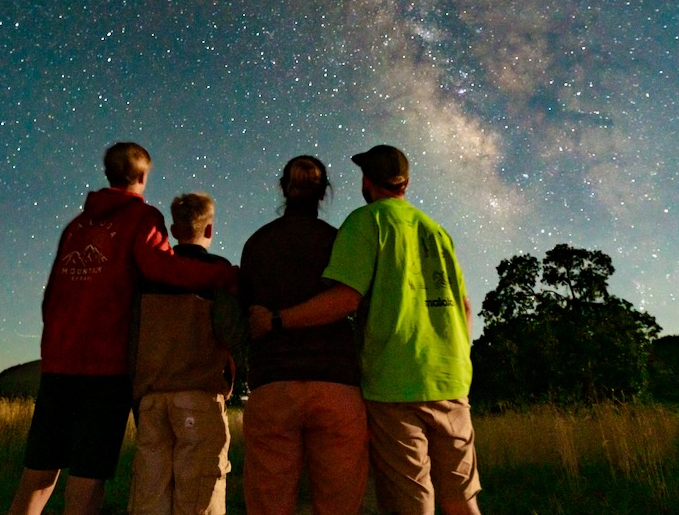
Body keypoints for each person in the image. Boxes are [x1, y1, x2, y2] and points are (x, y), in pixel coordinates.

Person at [249, 145, 482, 515]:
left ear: (367, 181)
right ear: (406, 182)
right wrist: (456, 355)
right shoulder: (437, 231)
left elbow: (345, 299)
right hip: (450, 378)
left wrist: (277, 320)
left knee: (412, 499)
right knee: (461, 499)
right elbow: (465, 305)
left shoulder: (366, 221)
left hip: (394, 380)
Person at [8, 143, 238, 515]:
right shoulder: (141, 218)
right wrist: (225, 275)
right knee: (87, 475)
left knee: (38, 472)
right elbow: (162, 267)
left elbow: (51, 296)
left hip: (58, 365)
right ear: (143, 177)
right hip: (106, 368)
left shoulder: (76, 227)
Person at [239, 155, 368, 515]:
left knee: (269, 505)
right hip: (336, 385)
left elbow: (245, 314)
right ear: (323, 193)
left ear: (283, 187)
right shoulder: (340, 240)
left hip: (273, 385)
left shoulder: (257, 243)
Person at [129, 192, 238, 515]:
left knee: (151, 495)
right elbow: (231, 332)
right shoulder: (218, 272)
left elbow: (133, 335)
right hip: (198, 395)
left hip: (152, 398)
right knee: (199, 497)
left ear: (173, 231)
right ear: (209, 231)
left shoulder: (149, 275)